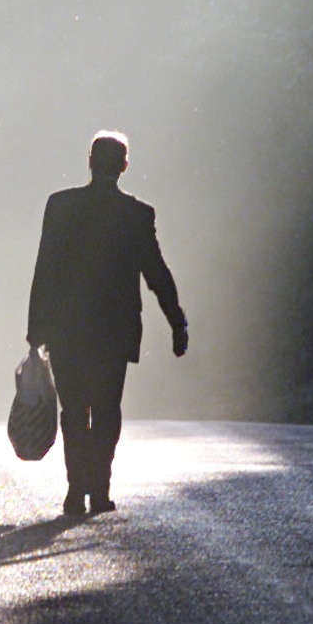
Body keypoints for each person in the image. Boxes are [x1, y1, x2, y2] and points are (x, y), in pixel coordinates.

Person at [27, 131, 187, 516]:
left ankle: (74, 489)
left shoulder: (61, 206)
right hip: (114, 331)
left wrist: (36, 332)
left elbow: (44, 269)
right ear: (124, 166)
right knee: (107, 408)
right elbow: (156, 273)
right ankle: (99, 488)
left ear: (90, 162)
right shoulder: (136, 215)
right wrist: (176, 321)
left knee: (73, 410)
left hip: (67, 329)